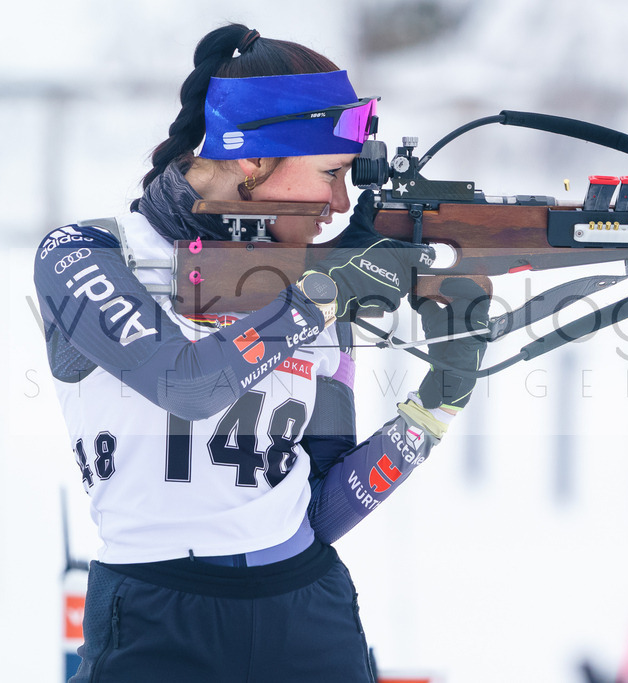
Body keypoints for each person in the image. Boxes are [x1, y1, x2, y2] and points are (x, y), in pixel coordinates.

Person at [33, 23, 487, 682]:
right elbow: (183, 381)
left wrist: (433, 408)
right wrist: (325, 295)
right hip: (151, 619)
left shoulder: (310, 284)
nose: (340, 202)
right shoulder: (90, 252)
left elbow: (324, 504)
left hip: (307, 612)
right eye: (331, 174)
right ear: (253, 158)